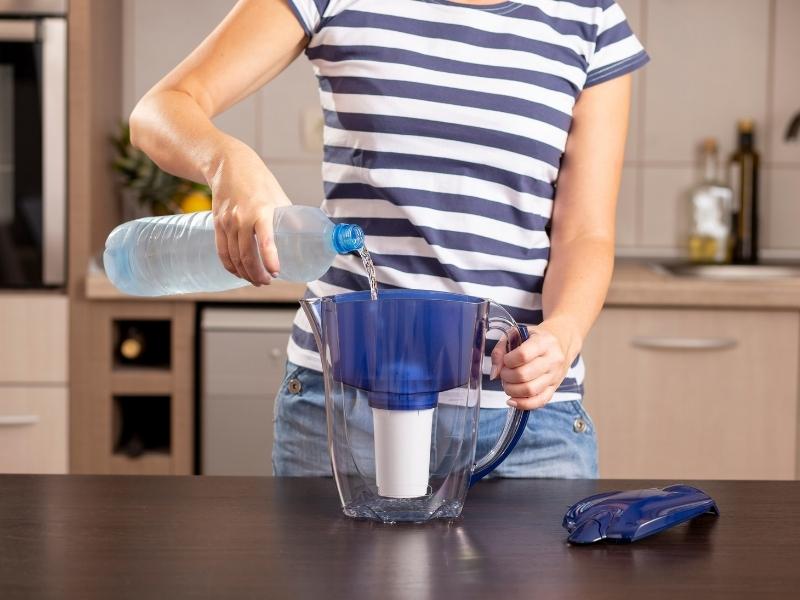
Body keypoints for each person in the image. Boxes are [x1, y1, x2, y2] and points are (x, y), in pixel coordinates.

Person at [130, 0, 648, 478]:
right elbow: (160, 109)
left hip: (525, 425)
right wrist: (227, 162)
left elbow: (586, 233)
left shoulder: (590, 18)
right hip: (346, 410)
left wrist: (563, 334)